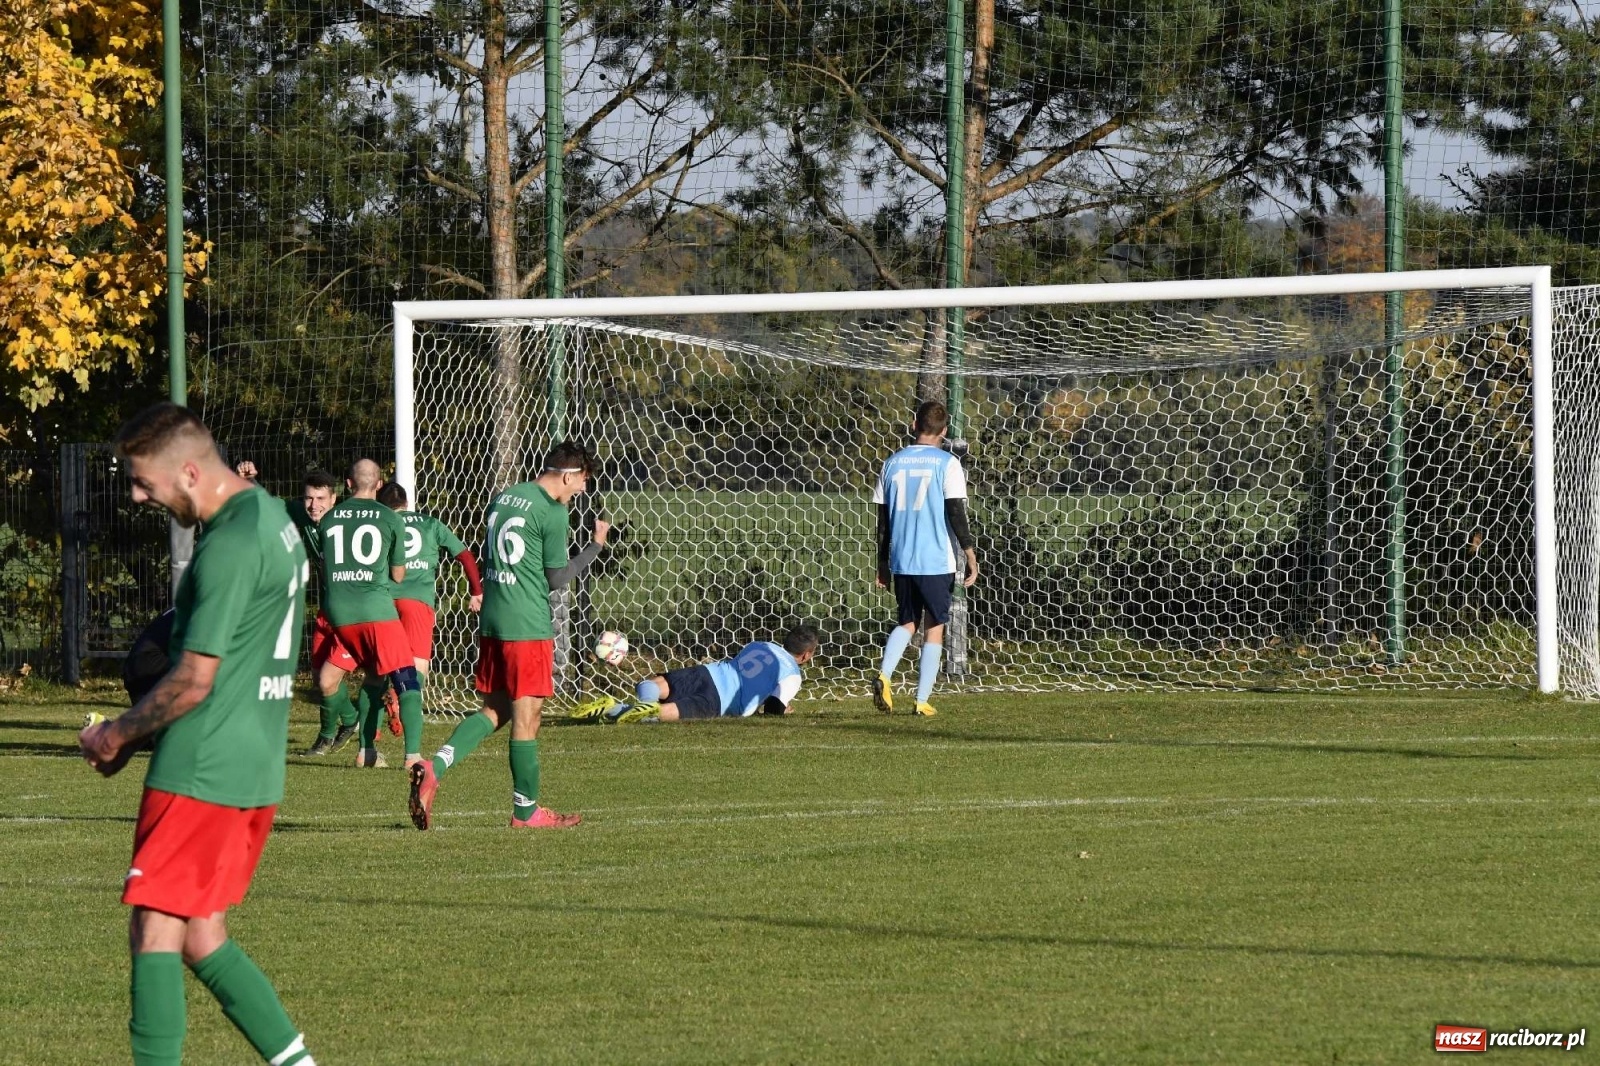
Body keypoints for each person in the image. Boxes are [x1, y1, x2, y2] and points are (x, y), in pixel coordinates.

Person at [79, 402, 318, 1066]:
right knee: (200, 934)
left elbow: (193, 679)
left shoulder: (232, 543)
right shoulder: (272, 519)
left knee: (154, 926)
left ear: (187, 470)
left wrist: (118, 734)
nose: (136, 494)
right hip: (254, 762)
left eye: (142, 480)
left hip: (202, 764)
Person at [408, 442, 609, 831]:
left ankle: (435, 765)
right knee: (528, 717)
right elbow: (557, 579)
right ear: (567, 475)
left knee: (497, 708)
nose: (580, 491)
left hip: (494, 622)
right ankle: (526, 812)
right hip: (526, 626)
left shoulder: (504, 498)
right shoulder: (553, 512)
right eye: (581, 483)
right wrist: (595, 548)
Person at [304, 459, 424, 768]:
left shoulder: (328, 520)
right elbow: (398, 575)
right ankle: (413, 756)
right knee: (406, 680)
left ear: (347, 484)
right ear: (380, 484)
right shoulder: (391, 518)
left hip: (340, 616)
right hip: (376, 611)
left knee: (373, 677)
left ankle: (366, 751)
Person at [871, 400, 979, 717]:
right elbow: (956, 512)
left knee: (906, 622)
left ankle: (884, 674)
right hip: (935, 560)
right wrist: (970, 553)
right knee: (934, 628)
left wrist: (882, 563)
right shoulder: (947, 464)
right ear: (944, 431)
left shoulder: (891, 463)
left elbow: (883, 522)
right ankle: (921, 701)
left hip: (902, 559)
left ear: (914, 425)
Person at [575, 625, 821, 724]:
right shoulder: (792, 674)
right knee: (663, 713)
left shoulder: (760, 644)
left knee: (654, 684)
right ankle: (612, 710)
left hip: (709, 672)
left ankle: (635, 704)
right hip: (722, 700)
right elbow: (773, 710)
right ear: (807, 655)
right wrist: (782, 709)